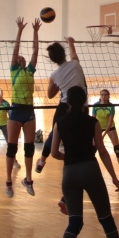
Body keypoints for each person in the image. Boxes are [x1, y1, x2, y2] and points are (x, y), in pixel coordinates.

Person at [50, 86, 119, 238]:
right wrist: (114, 177)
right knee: (105, 217)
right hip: (90, 170)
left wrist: (69, 157)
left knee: (75, 221)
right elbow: (102, 151)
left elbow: (54, 153)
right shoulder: (93, 122)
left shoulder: (59, 123)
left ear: (68, 102)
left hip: (69, 174)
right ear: (85, 102)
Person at [35, 36, 86, 175]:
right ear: (64, 54)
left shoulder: (54, 75)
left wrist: (60, 84)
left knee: (54, 134)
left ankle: (42, 161)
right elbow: (73, 54)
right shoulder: (75, 64)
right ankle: (81, 161)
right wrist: (70, 42)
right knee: (80, 136)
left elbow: (50, 95)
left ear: (52, 60)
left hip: (64, 107)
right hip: (82, 107)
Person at [5, 17, 41, 197]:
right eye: (18, 57)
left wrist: (35, 31)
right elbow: (16, 48)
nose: (20, 57)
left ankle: (28, 180)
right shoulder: (14, 70)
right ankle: (8, 182)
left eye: (22, 57)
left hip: (28, 110)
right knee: (12, 147)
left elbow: (36, 50)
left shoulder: (30, 70)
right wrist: (19, 30)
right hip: (16, 110)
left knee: (29, 147)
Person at [92, 89, 119, 180]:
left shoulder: (111, 106)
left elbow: (110, 122)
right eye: (102, 95)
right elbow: (93, 120)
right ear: (100, 96)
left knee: (117, 148)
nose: (103, 96)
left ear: (108, 96)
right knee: (93, 147)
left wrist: (103, 135)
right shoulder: (96, 106)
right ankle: (88, 169)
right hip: (98, 126)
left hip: (110, 127)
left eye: (105, 95)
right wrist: (95, 134)